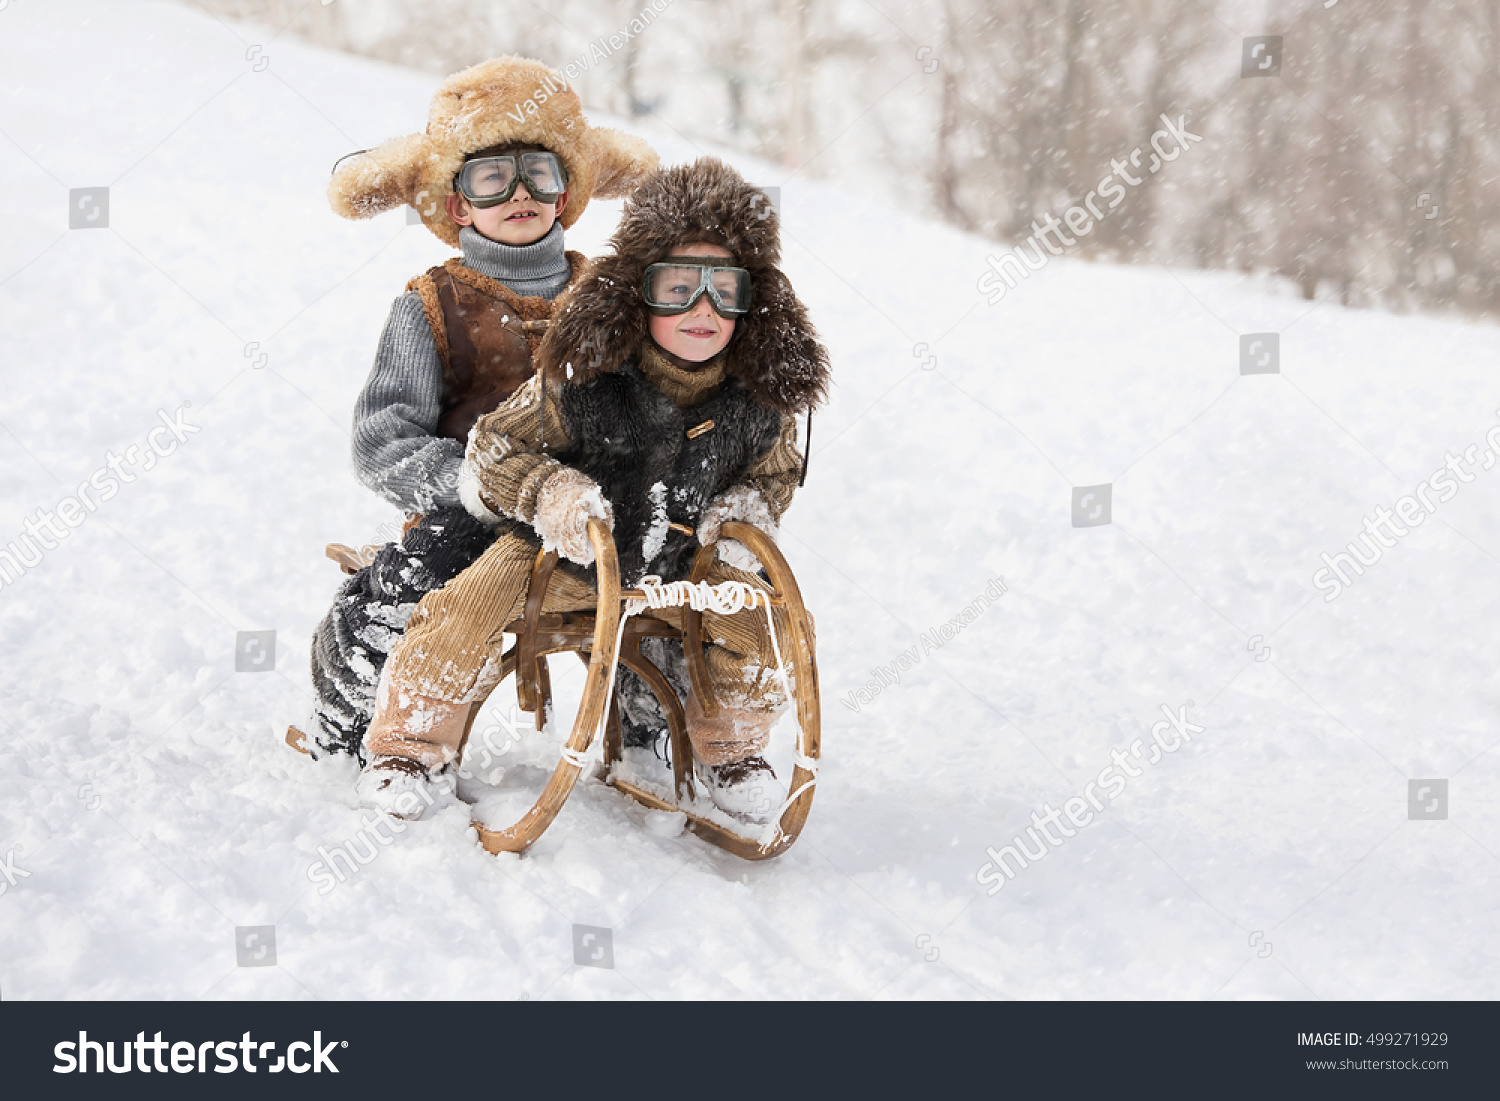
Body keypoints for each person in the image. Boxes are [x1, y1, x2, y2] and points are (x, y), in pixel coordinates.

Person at [356, 157, 830, 822]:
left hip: (686, 557)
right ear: (639, 292)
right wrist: (550, 492)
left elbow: (773, 473)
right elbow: (494, 444)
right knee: (467, 607)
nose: (703, 309)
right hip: (565, 555)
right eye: (677, 287)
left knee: (764, 620)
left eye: (725, 288)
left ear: (754, 299)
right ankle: (410, 747)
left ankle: (732, 748)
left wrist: (746, 511)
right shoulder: (587, 369)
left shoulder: (760, 393)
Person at [297, 56, 657, 761]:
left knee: (669, 573)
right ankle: (352, 712)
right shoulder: (430, 305)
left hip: (595, 510)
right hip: (476, 511)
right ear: (458, 203)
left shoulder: (609, 300)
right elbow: (382, 437)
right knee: (415, 580)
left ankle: (656, 728)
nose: (518, 191)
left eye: (539, 173)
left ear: (567, 192)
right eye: (491, 177)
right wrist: (472, 486)